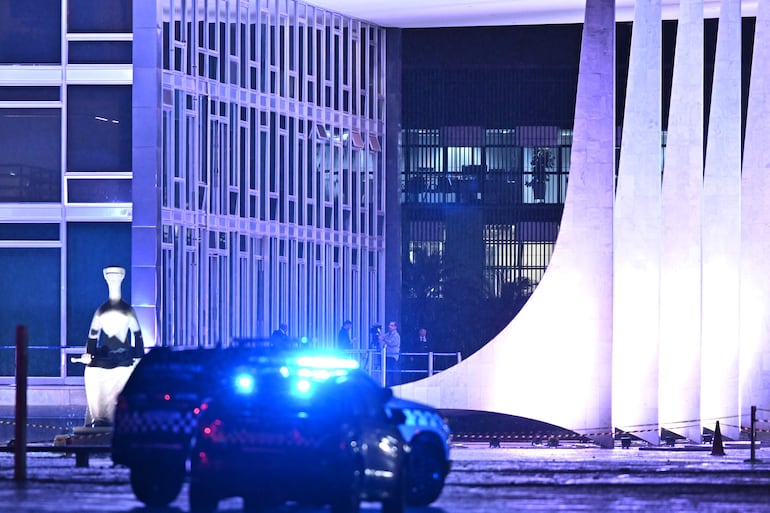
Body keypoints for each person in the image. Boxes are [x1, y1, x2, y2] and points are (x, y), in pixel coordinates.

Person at [80, 266, 145, 428]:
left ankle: (121, 415)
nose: (113, 280)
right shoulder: (101, 311)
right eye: (111, 278)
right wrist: (90, 354)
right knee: (91, 372)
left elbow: (138, 336)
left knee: (126, 372)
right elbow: (92, 337)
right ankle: (100, 416)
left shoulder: (127, 310)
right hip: (106, 356)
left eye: (116, 278)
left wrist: (138, 357)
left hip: (124, 357)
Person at [378, 320, 401, 387]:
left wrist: (383, 339)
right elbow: (383, 339)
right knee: (386, 371)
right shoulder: (387, 334)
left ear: (395, 327)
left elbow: (391, 343)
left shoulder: (396, 335)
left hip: (393, 356)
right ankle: (386, 384)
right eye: (389, 325)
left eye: (392, 325)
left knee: (391, 371)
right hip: (387, 355)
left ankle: (392, 385)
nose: (389, 327)